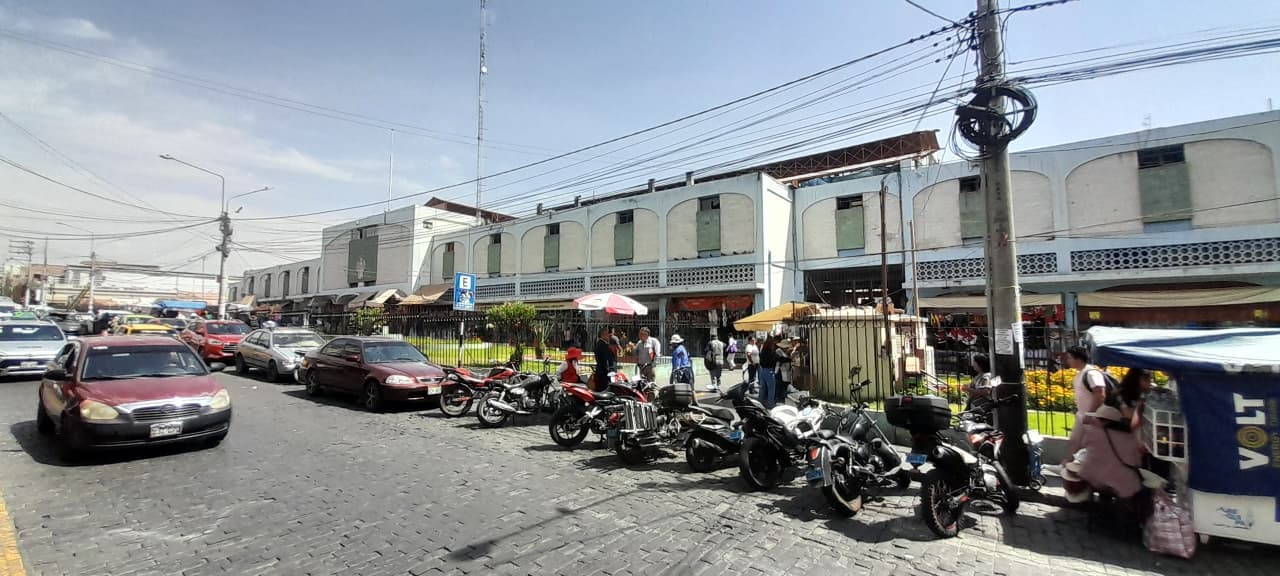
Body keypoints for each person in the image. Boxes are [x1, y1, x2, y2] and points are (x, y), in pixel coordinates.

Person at [1063, 345, 1108, 463]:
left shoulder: (1091, 373)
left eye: (1069, 358)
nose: (1068, 361)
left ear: (1078, 359)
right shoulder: (1081, 373)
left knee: (1087, 445)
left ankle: (1079, 470)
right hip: (1082, 415)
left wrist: (1091, 413)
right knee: (1075, 441)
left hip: (1092, 417)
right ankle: (1066, 465)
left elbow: (1100, 394)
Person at [758, 334, 779, 409]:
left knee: (762, 388)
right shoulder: (771, 352)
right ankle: (770, 404)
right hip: (769, 371)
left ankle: (760, 403)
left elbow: (760, 362)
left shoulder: (762, 352)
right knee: (771, 388)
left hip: (762, 371)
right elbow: (778, 358)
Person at [593, 327, 617, 392]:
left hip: (602, 371)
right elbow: (605, 359)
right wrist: (608, 369)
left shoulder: (602, 344)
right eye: (607, 334)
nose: (608, 336)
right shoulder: (602, 345)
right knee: (603, 389)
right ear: (603, 335)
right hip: (603, 372)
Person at [774, 338, 795, 405]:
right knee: (779, 385)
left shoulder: (786, 352)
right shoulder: (778, 351)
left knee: (784, 385)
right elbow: (781, 359)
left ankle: (782, 398)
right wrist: (789, 359)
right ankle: (778, 398)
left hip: (786, 372)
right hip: (779, 371)